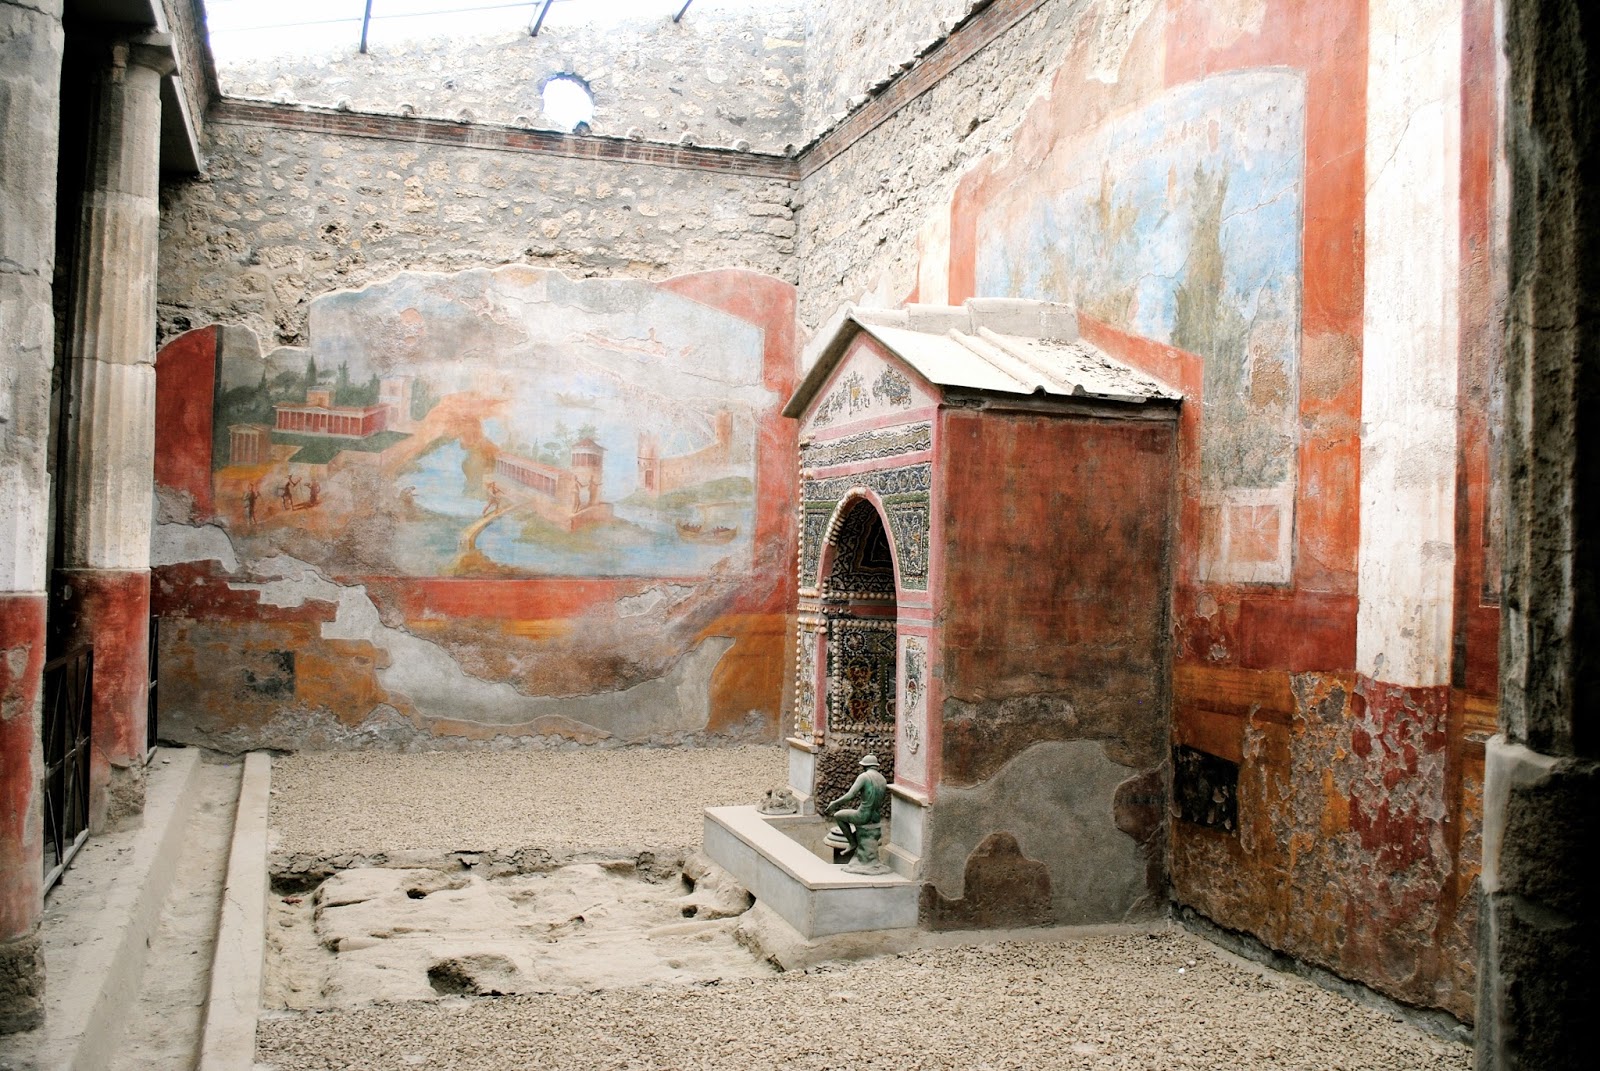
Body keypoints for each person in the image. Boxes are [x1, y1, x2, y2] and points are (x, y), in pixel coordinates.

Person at [825, 753, 888, 861]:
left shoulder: (864, 777)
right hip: (875, 817)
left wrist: (835, 803)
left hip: (863, 816)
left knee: (838, 815)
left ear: (864, 766)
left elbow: (850, 795)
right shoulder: (882, 779)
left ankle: (852, 843)